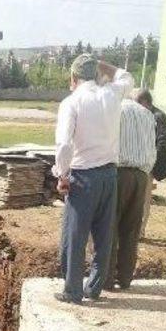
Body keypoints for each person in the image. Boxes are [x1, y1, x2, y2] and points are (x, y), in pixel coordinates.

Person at [53, 54, 134, 304]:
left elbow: (65, 144)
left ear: (73, 78)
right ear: (97, 74)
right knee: (104, 234)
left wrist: (62, 175)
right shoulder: (112, 94)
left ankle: (73, 290)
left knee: (75, 236)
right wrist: (103, 64)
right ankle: (95, 287)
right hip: (110, 175)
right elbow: (127, 77)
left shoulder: (72, 102)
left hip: (83, 176)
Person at [106, 98, 156, 289]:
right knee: (131, 230)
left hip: (118, 173)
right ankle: (125, 277)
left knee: (108, 227)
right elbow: (152, 147)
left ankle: (106, 278)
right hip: (141, 176)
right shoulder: (147, 114)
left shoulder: (113, 108)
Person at [135, 89, 166, 237]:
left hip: (148, 164)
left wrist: (152, 160)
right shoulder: (139, 114)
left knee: (145, 198)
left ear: (144, 102)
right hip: (137, 162)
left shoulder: (158, 116)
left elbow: (163, 140)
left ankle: (140, 230)